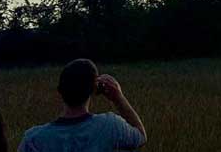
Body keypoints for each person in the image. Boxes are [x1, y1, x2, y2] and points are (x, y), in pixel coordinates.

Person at [18, 58, 147, 152]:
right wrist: (118, 97)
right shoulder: (111, 126)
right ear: (94, 90)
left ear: (60, 91)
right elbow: (141, 136)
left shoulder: (33, 140)